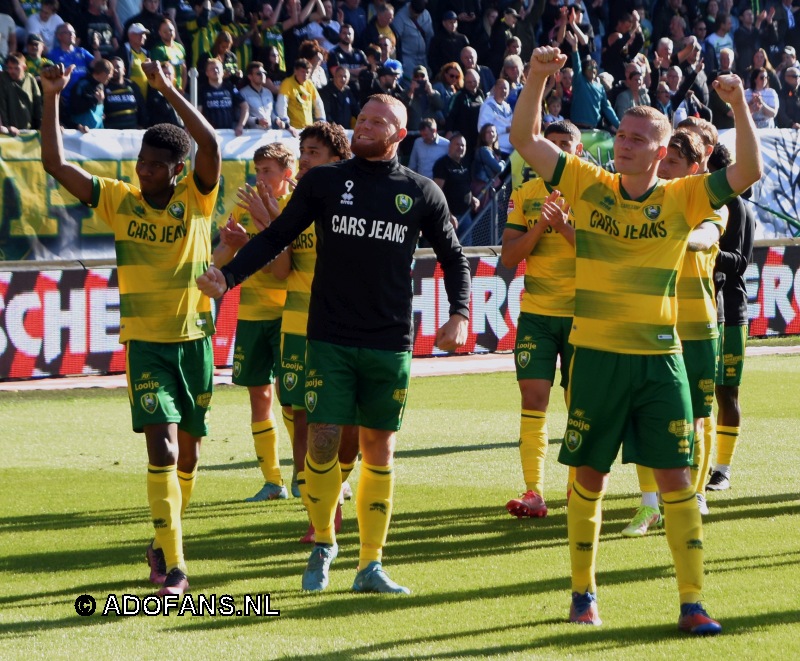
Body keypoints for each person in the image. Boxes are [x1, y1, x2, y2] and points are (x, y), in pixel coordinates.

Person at [510, 44, 761, 633]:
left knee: (676, 481)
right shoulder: (587, 184)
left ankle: (693, 602)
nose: (624, 144)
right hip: (596, 358)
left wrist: (741, 106)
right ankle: (582, 595)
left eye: (639, 139)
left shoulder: (682, 197)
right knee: (588, 478)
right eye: (621, 135)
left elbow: (748, 172)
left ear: (661, 151)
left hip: (660, 361)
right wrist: (538, 77)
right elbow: (525, 138)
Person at [196, 93, 470, 595]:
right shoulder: (323, 182)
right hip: (328, 336)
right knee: (321, 440)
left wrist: (459, 314)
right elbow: (276, 235)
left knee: (378, 448)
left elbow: (454, 258)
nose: (366, 126)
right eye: (362, 118)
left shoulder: (422, 191)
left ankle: (371, 565)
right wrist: (228, 276)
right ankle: (324, 542)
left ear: (399, 135)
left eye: (379, 121)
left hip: (389, 340)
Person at [41, 58, 222, 598]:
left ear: (176, 170)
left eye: (153, 165)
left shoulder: (197, 197)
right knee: (162, 451)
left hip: (196, 344)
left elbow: (208, 145)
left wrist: (167, 89)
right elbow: (54, 164)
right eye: (140, 162)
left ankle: (162, 543)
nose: (142, 170)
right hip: (147, 348)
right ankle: (177, 569)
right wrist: (51, 96)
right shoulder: (120, 200)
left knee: (188, 456)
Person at [622, 129, 727, 536]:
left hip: (697, 324)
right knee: (644, 414)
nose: (664, 168)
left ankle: (694, 494)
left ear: (695, 169)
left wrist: (677, 236)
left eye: (674, 163)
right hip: (652, 321)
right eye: (664, 160)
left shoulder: (709, 202)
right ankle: (649, 505)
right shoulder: (645, 199)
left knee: (697, 419)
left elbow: (705, 238)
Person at [500, 119, 582, 520]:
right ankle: (534, 491)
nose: (557, 151)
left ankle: (576, 488)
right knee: (533, 399)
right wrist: (539, 228)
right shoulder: (525, 194)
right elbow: (510, 257)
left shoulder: (595, 193)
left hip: (584, 315)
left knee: (579, 403)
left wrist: (564, 227)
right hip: (537, 315)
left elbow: (606, 254)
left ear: (577, 152)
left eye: (565, 145)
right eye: (550, 145)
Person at [213, 142, 294, 502]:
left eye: (267, 171)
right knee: (259, 397)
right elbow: (220, 258)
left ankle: (308, 476)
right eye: (257, 170)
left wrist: (249, 244)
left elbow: (280, 272)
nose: (260, 177)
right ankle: (273, 481)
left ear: (286, 174)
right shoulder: (243, 208)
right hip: (251, 315)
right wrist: (230, 247)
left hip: (288, 313)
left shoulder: (295, 209)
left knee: (291, 400)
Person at [706, 143, 755, 494]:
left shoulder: (735, 206)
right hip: (703, 306)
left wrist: (702, 248)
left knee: (727, 393)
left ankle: (722, 470)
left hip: (731, 310)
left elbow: (738, 262)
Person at [432, 132, 477, 229]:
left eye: (463, 145)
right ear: (450, 146)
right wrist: (448, 214)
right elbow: (437, 192)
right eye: (457, 144)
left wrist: (472, 197)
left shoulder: (465, 162)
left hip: (465, 215)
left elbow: (464, 185)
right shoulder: (442, 164)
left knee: (468, 244)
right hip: (448, 217)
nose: (460, 148)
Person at [198, 56, 248, 134]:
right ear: (207, 73)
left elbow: (245, 106)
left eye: (218, 68)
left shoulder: (230, 87)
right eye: (212, 69)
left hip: (229, 133)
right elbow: (198, 111)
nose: (215, 70)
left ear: (223, 71)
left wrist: (240, 125)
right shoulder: (202, 90)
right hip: (209, 133)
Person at [276, 57, 326, 130]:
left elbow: (318, 103)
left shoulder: (310, 84)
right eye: (302, 72)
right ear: (295, 71)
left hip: (308, 128)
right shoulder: (287, 83)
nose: (305, 75)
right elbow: (281, 104)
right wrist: (285, 123)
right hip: (293, 129)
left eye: (307, 72)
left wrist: (322, 121)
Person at [0, 51, 41, 134]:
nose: (12, 71)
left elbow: (38, 105)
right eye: (10, 68)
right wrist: (6, 127)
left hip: (28, 130)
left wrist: (40, 125)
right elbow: (2, 106)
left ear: (24, 67)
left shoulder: (30, 79)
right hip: (7, 131)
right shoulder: (3, 79)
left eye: (16, 68)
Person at [69, 57, 114, 130]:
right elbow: (75, 108)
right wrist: (94, 100)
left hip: (97, 130)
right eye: (110, 74)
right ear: (103, 74)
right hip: (83, 130)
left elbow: (99, 107)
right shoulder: (82, 85)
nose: (111, 77)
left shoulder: (101, 85)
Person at [104, 54, 147, 129]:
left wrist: (142, 125)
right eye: (112, 67)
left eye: (118, 67)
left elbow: (142, 108)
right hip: (112, 133)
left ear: (124, 70)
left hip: (132, 131)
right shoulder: (104, 87)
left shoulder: (133, 86)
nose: (115, 70)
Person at [477, 78, 512, 157]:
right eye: (501, 87)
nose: (503, 90)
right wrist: (505, 129)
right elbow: (482, 128)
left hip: (510, 151)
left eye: (505, 88)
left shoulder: (507, 107)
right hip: (496, 151)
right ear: (495, 89)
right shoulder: (487, 106)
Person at [320, 63, 360, 128]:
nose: (343, 79)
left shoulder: (348, 91)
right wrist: (335, 127)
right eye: (340, 76)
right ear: (334, 76)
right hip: (331, 130)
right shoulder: (325, 91)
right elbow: (326, 114)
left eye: (345, 77)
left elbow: (356, 110)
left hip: (346, 131)